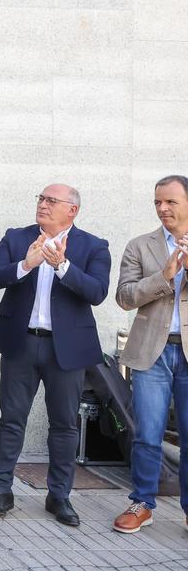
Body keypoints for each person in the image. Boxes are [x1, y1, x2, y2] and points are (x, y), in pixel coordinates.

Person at [0, 184, 111, 528]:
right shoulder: (17, 237)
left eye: (50, 200)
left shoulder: (93, 246)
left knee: (65, 424)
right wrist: (26, 263)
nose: (42, 204)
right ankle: (0, 490)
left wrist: (63, 266)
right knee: (11, 419)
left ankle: (59, 495)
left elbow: (98, 292)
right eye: (40, 198)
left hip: (66, 348)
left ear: (72, 210)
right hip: (21, 342)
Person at [112, 175, 188, 534]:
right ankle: (142, 503)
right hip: (151, 353)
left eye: (170, 202)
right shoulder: (140, 246)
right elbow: (125, 297)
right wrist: (165, 274)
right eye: (157, 202)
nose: (162, 209)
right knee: (147, 434)